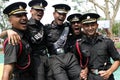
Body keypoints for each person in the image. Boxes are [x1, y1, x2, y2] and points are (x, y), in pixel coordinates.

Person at [77, 13, 120, 80]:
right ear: (82, 27)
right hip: (89, 77)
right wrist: (84, 70)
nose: (90, 28)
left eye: (92, 25)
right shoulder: (79, 44)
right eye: (87, 26)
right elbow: (78, 62)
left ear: (97, 25)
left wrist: (109, 72)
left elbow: (117, 60)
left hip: (105, 77)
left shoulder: (107, 42)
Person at [44, 4, 81, 80]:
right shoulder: (46, 29)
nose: (61, 16)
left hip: (69, 57)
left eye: (64, 14)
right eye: (59, 14)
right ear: (54, 14)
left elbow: (78, 28)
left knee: (80, 76)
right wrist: (11, 31)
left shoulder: (68, 27)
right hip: (54, 58)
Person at [2, 2, 33, 80]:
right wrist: (7, 31)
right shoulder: (13, 41)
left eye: (25, 15)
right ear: (10, 20)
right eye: (18, 16)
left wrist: (6, 31)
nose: (24, 18)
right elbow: (7, 72)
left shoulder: (24, 33)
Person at [26, 0, 48, 80]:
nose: (40, 12)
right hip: (34, 60)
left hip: (45, 58)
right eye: (37, 10)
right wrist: (9, 31)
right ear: (31, 11)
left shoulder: (42, 27)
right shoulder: (25, 25)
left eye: (42, 10)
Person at [66, 13, 88, 80]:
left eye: (78, 22)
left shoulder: (87, 37)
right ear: (71, 25)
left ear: (81, 24)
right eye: (73, 23)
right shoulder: (67, 39)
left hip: (86, 69)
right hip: (71, 69)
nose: (76, 24)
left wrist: (86, 69)